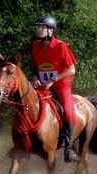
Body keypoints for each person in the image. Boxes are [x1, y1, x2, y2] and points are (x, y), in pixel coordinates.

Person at [31, 15, 79, 162]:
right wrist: (34, 79)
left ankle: (69, 148)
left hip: (61, 86)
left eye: (42, 27)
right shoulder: (35, 47)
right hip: (43, 88)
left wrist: (53, 80)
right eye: (38, 27)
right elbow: (35, 69)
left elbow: (72, 70)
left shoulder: (61, 46)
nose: (39, 29)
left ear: (51, 31)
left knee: (69, 112)